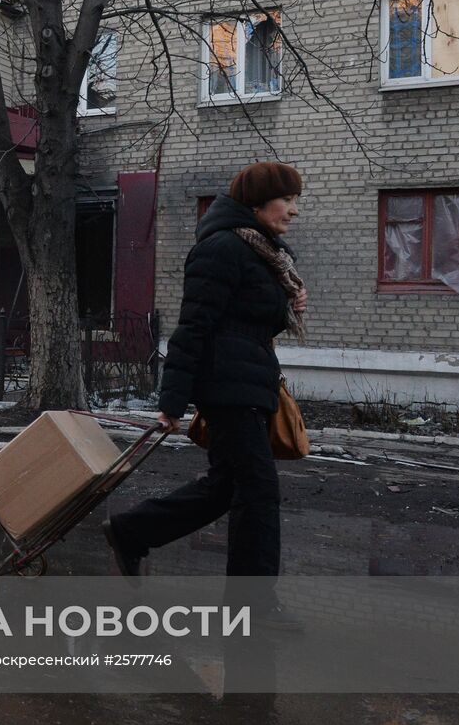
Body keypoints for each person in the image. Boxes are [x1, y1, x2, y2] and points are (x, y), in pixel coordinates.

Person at [102, 162, 308, 625]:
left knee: (226, 488)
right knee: (258, 492)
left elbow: (247, 319)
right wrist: (172, 401)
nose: (294, 211)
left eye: (297, 201)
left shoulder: (261, 250)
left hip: (250, 383)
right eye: (287, 200)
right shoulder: (221, 248)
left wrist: (287, 304)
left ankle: (131, 531)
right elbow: (192, 328)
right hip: (227, 389)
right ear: (257, 203)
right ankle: (251, 608)